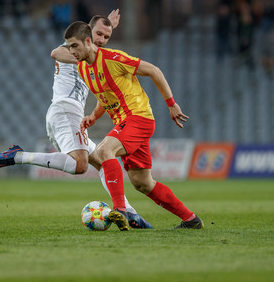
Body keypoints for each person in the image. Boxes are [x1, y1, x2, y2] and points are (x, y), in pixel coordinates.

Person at [0, 10, 152, 230]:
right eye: (98, 35)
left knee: (103, 163)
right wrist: (85, 46)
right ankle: (18, 156)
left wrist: (108, 27)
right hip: (65, 109)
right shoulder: (75, 47)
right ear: (87, 35)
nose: (102, 41)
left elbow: (99, 51)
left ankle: (130, 213)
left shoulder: (95, 54)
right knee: (80, 165)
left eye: (106, 37)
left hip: (65, 112)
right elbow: (56, 52)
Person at [64, 20, 204, 230]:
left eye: (74, 46)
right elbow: (106, 96)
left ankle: (120, 210)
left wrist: (171, 104)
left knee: (104, 150)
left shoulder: (113, 58)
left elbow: (155, 71)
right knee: (142, 182)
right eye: (68, 47)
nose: (71, 51)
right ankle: (191, 220)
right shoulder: (84, 68)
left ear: (86, 41)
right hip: (126, 122)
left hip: (138, 117)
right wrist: (93, 116)